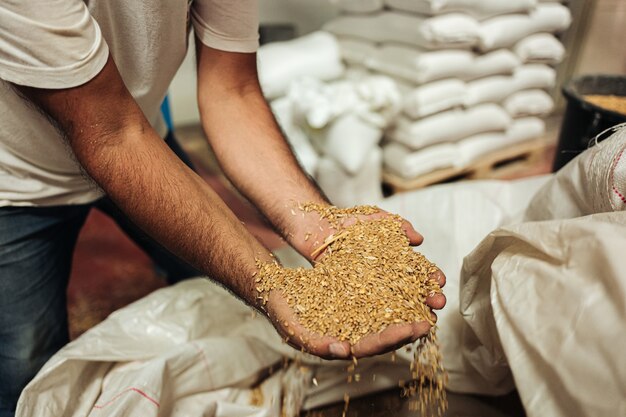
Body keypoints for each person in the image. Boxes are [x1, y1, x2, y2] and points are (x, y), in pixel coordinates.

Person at [0, 1, 446, 415]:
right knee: (26, 368)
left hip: (142, 137)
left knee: (213, 288)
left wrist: (320, 224)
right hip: (17, 179)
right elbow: (110, 133)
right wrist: (267, 282)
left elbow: (231, 90)